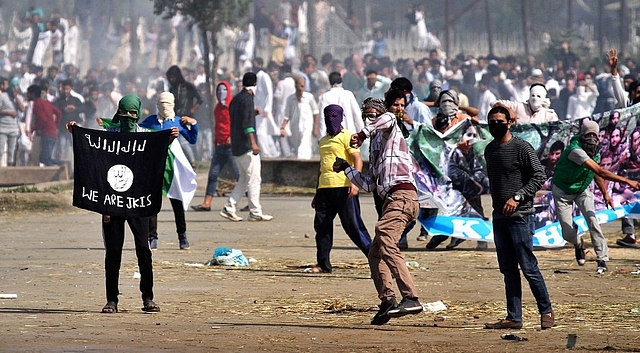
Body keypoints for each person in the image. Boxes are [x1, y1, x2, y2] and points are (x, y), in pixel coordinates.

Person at [66, 94, 177, 313]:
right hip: (112, 203)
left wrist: (169, 139)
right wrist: (75, 133)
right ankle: (112, 300)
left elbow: (157, 156)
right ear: (119, 113)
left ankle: (148, 297)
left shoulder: (146, 136)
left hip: (138, 203)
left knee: (143, 250)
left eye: (133, 113)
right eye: (124, 113)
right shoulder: (110, 136)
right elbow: (93, 153)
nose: (128, 117)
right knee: (113, 252)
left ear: (138, 114)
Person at [335, 89, 423, 325]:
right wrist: (347, 169)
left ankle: (411, 297)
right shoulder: (375, 149)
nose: (369, 120)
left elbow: (389, 118)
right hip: (391, 200)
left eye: (373, 115)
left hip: (403, 196)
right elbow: (368, 184)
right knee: (376, 252)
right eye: (365, 116)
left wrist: (363, 133)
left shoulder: (391, 130)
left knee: (385, 237)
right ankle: (388, 301)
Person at [483, 105, 554, 330]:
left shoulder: (521, 147)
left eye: (500, 121)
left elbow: (539, 175)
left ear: (510, 122)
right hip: (499, 217)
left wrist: (518, 196)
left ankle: (546, 311)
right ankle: (514, 317)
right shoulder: (490, 150)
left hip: (520, 216)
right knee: (508, 269)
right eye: (492, 121)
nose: (496, 125)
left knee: (528, 267)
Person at [551, 120, 640, 273]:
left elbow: (594, 173)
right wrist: (627, 181)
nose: (591, 138)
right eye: (588, 134)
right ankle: (578, 243)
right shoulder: (575, 150)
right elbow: (600, 171)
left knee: (593, 221)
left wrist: (606, 194)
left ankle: (602, 259)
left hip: (582, 189)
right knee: (567, 233)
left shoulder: (596, 150)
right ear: (582, 135)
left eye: (594, 134)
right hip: (563, 190)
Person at [306, 104, 371, 273]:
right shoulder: (323, 140)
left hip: (344, 187)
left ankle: (376, 260)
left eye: (335, 116)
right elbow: (321, 167)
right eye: (328, 116)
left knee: (353, 227)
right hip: (324, 188)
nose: (331, 119)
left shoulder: (348, 136)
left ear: (341, 117)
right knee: (322, 227)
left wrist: (355, 183)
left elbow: (358, 159)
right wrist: (316, 191)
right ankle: (323, 264)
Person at [139, 92, 198, 250]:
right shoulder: (151, 121)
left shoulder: (178, 122)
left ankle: (182, 236)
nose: (164, 106)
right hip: (155, 166)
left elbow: (192, 139)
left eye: (168, 103)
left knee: (177, 203)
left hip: (173, 168)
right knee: (152, 203)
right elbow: (136, 132)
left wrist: (194, 123)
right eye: (161, 103)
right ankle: (152, 236)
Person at [220, 72, 273, 222]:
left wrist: (252, 113)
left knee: (244, 179)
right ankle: (255, 211)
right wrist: (254, 143)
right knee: (254, 178)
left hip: (236, 145)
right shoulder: (248, 100)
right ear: (255, 84)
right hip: (246, 146)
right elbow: (247, 125)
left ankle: (229, 207)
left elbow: (239, 119)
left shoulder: (236, 99)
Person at [192, 81, 239, 212]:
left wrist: (232, 136)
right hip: (220, 146)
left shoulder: (232, 106)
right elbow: (217, 127)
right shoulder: (217, 108)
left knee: (239, 175)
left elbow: (236, 124)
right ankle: (207, 203)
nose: (221, 93)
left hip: (231, 147)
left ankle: (251, 202)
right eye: (219, 90)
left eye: (224, 90)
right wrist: (215, 143)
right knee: (213, 174)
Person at [280, 76, 318, 159]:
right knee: (299, 147)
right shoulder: (290, 99)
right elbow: (287, 116)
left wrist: (315, 128)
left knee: (304, 145)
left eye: (302, 86)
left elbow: (315, 112)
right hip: (295, 128)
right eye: (299, 86)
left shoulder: (309, 97)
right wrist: (282, 128)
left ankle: (303, 163)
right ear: (295, 86)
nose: (300, 88)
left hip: (307, 126)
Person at [26, 84, 62, 166]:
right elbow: (59, 113)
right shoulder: (47, 102)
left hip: (47, 133)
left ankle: (61, 167)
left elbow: (42, 120)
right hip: (52, 132)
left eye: (28, 93)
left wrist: (33, 129)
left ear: (33, 94)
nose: (27, 95)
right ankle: (62, 164)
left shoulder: (37, 104)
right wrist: (55, 125)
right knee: (43, 157)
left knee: (45, 159)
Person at [491, 83, 559, 123]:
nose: (535, 98)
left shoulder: (548, 115)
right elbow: (494, 103)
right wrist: (507, 110)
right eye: (533, 95)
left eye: (538, 96)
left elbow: (559, 128)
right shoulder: (519, 107)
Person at [0, 77, 19, 166]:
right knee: (0, 150)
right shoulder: (3, 96)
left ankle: (10, 171)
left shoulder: (18, 98)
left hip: (13, 128)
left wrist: (16, 98)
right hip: (2, 127)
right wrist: (9, 112)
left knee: (11, 152)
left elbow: (23, 109)